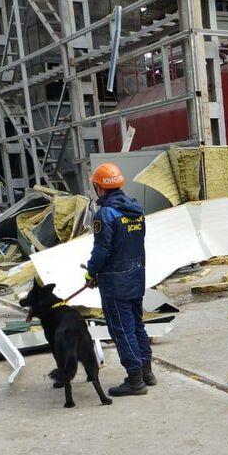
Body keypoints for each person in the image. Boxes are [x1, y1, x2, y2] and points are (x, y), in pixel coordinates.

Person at [85, 162, 155, 396]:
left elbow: (102, 251)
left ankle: (135, 381)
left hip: (116, 282)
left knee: (122, 330)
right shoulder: (136, 209)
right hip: (136, 276)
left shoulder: (105, 214)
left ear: (100, 188)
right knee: (137, 325)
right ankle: (147, 372)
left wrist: (91, 272)